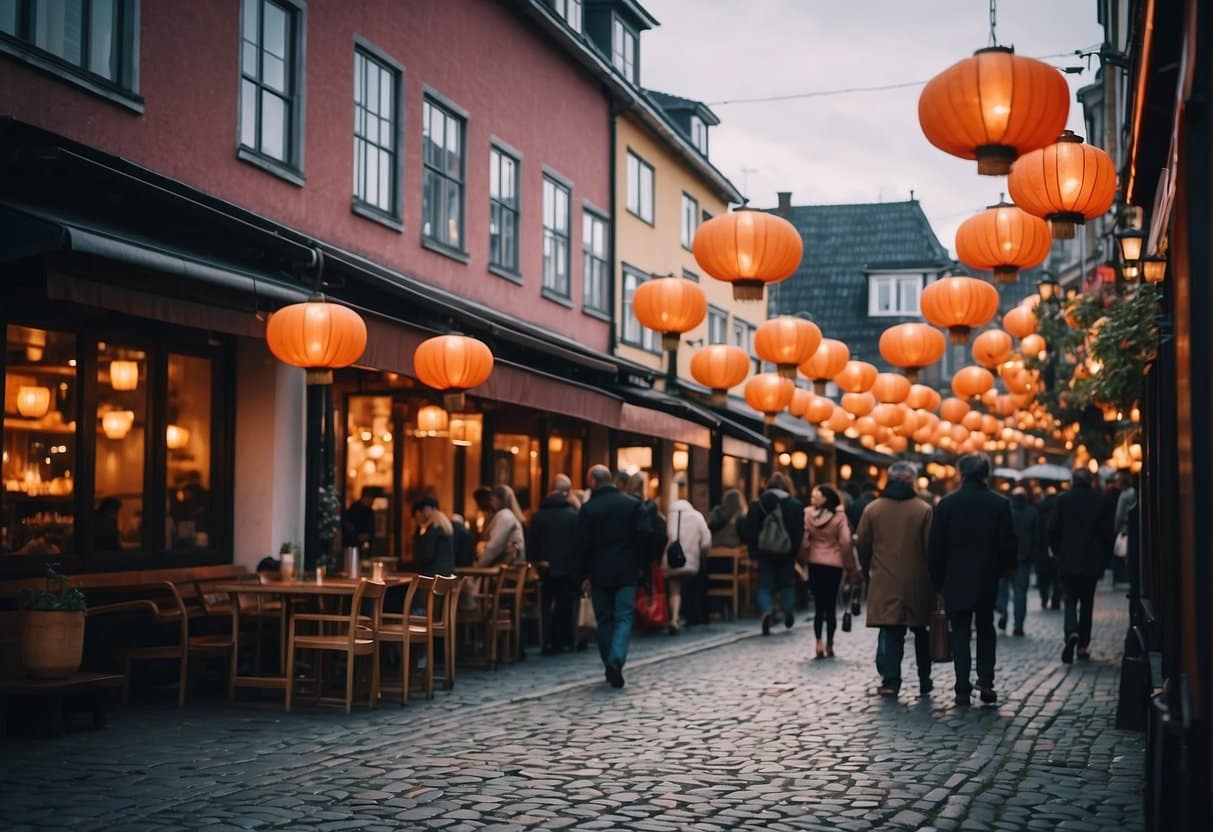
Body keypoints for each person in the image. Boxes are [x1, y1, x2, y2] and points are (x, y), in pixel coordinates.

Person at [928, 453, 1017, 706]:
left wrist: (937, 581)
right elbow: (1008, 542)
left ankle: (961, 688)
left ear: (961, 474)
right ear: (986, 475)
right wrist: (1007, 568)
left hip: (955, 576)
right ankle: (986, 680)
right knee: (986, 627)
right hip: (987, 575)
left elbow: (936, 546)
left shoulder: (946, 504)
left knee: (960, 631)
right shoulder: (999, 504)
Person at [856, 461, 934, 697]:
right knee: (921, 630)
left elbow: (863, 543)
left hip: (885, 578)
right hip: (917, 580)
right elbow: (931, 547)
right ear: (912, 481)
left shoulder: (873, 509)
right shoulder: (924, 510)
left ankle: (891, 681)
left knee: (891, 631)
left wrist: (868, 566)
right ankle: (924, 677)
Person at [577, 464, 652, 688]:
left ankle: (610, 661)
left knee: (605, 620)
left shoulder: (589, 509)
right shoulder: (632, 505)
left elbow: (581, 546)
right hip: (626, 570)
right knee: (623, 617)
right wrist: (641, 565)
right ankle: (616, 659)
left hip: (599, 572)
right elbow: (645, 536)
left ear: (592, 481)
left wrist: (584, 574)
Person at [1048, 469, 1115, 663]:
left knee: (1069, 599)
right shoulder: (1100, 501)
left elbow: (1052, 529)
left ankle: (1071, 632)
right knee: (1087, 603)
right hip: (1091, 561)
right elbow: (1107, 534)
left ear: (1073, 481)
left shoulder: (1063, 500)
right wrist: (1104, 557)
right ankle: (1083, 646)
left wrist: (1058, 552)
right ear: (1091, 482)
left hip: (1068, 559)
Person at [741, 471, 804, 636]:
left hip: (764, 552)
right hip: (786, 553)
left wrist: (753, 554)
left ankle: (767, 610)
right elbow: (799, 532)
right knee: (787, 584)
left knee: (764, 586)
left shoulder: (757, 504)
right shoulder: (795, 505)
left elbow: (750, 531)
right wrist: (794, 552)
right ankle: (788, 609)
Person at [802, 485, 860, 659]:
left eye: (815, 496)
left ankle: (818, 642)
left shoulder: (807, 514)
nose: (812, 499)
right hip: (834, 564)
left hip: (814, 563)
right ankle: (830, 643)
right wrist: (850, 566)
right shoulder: (840, 517)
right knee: (830, 605)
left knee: (818, 606)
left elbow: (804, 540)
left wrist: (804, 559)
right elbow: (845, 541)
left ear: (824, 498)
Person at [529, 476, 581, 655]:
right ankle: (563, 639)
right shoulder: (573, 515)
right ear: (567, 493)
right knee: (564, 603)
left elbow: (532, 544)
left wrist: (536, 561)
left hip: (545, 567)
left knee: (545, 603)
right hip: (567, 567)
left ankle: (546, 640)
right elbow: (578, 544)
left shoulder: (538, 515)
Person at [662, 476, 711, 635]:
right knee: (691, 587)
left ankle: (674, 618)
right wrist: (702, 553)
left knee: (674, 590)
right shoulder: (696, 516)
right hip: (691, 562)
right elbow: (706, 541)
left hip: (672, 561)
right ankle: (691, 616)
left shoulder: (669, 517)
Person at [995, 487, 1042, 636]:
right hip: (1024, 559)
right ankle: (1019, 626)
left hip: (1004, 558)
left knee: (1001, 591)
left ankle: (1003, 612)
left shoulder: (1005, 510)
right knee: (1020, 593)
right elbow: (1037, 538)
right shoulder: (1032, 512)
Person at [476, 485, 526, 566]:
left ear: (498, 499)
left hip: (506, 572)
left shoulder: (505, 516)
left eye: (492, 499)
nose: (491, 503)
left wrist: (480, 564)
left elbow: (494, 546)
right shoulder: (507, 515)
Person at [411, 496, 454, 577]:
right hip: (443, 577)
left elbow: (427, 555)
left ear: (427, 510)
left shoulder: (432, 530)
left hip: (431, 578)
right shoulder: (444, 526)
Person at [1035, 485, 1062, 609]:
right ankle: (1056, 599)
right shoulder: (1060, 508)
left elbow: (1036, 530)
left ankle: (1044, 598)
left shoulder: (1040, 508)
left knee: (1043, 577)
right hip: (1057, 548)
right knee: (1057, 577)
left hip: (1042, 547)